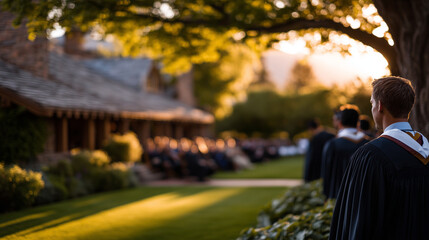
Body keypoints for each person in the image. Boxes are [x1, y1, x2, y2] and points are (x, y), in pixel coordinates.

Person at [330, 76, 429, 240]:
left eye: (372, 103)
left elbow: (359, 222)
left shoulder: (372, 155)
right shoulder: (424, 149)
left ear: (380, 105)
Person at [321, 104, 368, 199]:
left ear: (340, 123)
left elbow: (326, 174)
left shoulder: (333, 145)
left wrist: (326, 196)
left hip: (339, 197)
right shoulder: (369, 143)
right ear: (358, 123)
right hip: (365, 197)